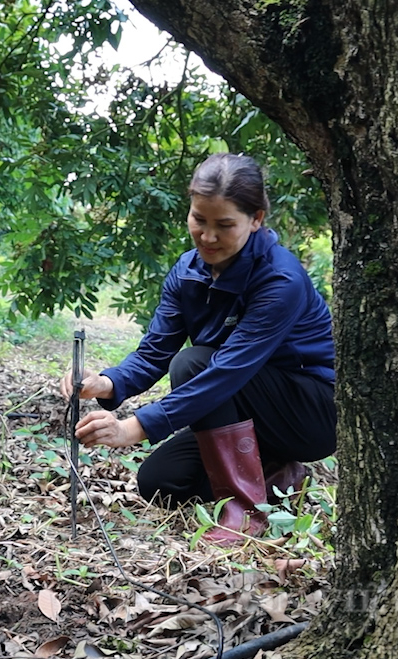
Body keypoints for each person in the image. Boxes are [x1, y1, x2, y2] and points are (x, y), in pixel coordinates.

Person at [61, 153, 336, 545]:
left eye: (224, 225)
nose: (207, 237)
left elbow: (224, 373)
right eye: (198, 220)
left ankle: (246, 512)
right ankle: (277, 478)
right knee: (161, 482)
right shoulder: (187, 271)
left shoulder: (280, 280)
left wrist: (132, 428)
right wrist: (104, 383)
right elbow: (155, 350)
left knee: (195, 362)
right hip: (244, 409)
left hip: (309, 413)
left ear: (256, 219)